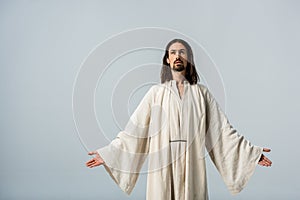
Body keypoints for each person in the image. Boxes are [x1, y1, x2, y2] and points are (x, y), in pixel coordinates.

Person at [86, 39, 272, 200]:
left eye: (182, 52)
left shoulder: (201, 93)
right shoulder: (156, 93)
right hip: (162, 163)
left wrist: (250, 153)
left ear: (188, 58)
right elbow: (135, 130)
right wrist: (110, 153)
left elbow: (221, 130)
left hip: (193, 163)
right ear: (167, 59)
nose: (177, 55)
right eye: (172, 52)